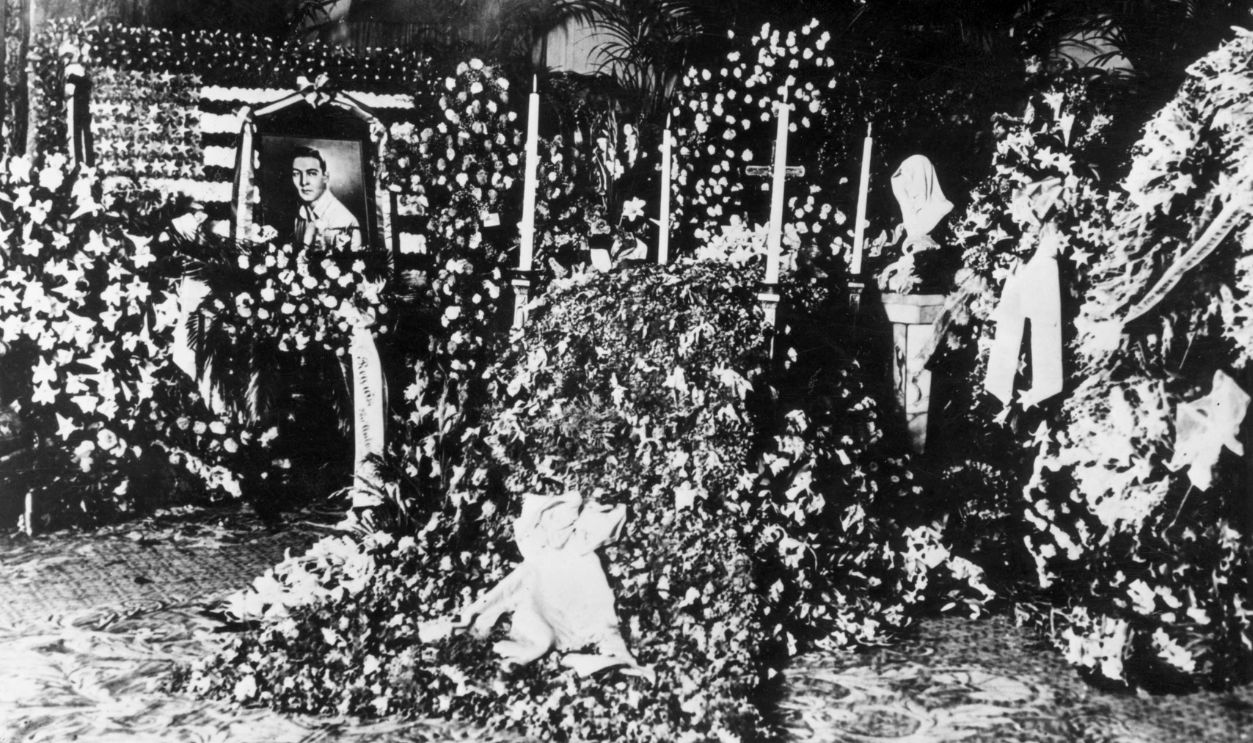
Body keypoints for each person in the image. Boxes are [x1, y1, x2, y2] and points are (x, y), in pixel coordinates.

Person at [290, 146, 362, 251]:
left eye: (312, 173)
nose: (303, 182)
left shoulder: (345, 220)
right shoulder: (302, 212)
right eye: (296, 174)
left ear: (326, 177)